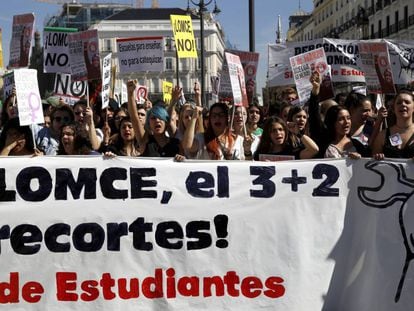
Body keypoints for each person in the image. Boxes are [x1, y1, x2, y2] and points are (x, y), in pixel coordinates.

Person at [127, 80, 182, 158]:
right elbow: (134, 117)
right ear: (148, 123)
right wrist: (130, 93)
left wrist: (182, 159)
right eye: (153, 118)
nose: (157, 120)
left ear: (166, 122)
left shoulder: (176, 144)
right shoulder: (145, 141)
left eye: (160, 118)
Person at [372, 89, 414, 159]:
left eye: (407, 102)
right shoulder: (382, 135)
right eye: (399, 103)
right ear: (394, 108)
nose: (403, 104)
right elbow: (370, 161)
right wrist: (377, 157)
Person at [254, 116, 318, 161]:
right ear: (268, 134)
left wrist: (298, 133)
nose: (278, 133)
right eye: (273, 130)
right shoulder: (261, 153)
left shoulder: (293, 151)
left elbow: (314, 150)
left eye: (281, 129)